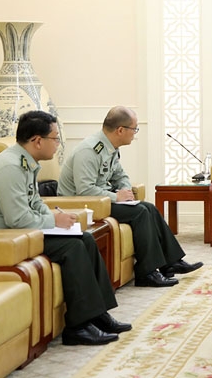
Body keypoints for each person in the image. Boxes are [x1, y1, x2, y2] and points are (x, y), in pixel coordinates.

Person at [0, 110, 132, 346]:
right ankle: (78, 327)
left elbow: (34, 204)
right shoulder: (10, 167)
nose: (57, 144)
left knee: (84, 239)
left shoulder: (26, 162)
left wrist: (56, 215)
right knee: (72, 248)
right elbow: (18, 218)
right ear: (37, 141)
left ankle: (97, 314)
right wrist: (53, 222)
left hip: (19, 234)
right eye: (55, 138)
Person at [58, 106, 202, 287]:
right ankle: (146, 273)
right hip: (82, 205)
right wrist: (116, 196)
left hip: (100, 200)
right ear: (120, 130)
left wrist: (125, 192)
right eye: (134, 129)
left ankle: (170, 263)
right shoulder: (89, 151)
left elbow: (121, 176)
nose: (135, 134)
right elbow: (84, 191)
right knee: (140, 212)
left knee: (148, 207)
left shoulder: (110, 148)